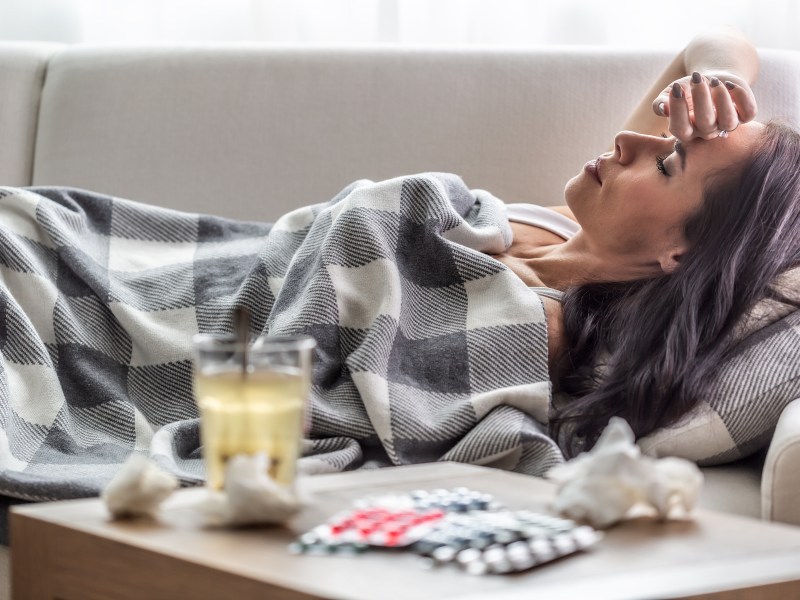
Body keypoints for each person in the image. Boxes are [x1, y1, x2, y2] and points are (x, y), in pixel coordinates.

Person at [488, 28, 800, 456]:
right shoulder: (577, 225)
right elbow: (712, 43)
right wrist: (718, 78)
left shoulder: (545, 322)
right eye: (668, 136)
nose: (626, 140)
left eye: (666, 163)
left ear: (681, 251)